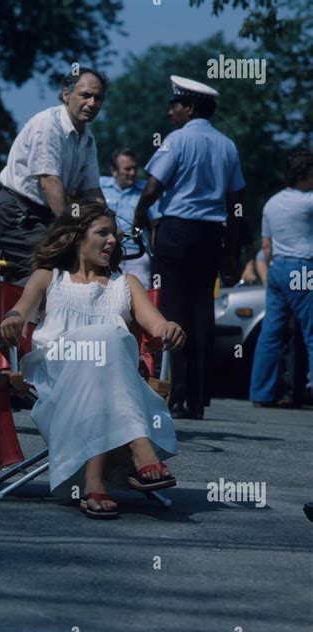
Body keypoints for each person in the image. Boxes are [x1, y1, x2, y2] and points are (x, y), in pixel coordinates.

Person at [0, 203, 186, 520]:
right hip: (58, 376)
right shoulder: (49, 278)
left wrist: (170, 327)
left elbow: (158, 325)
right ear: (76, 238)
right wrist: (14, 318)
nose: (113, 240)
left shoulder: (126, 285)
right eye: (103, 233)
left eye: (115, 234)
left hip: (113, 381)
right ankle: (139, 445)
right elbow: (21, 309)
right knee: (103, 338)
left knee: (106, 343)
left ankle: (93, 481)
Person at [0, 68, 108, 333]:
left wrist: (110, 227)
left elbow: (92, 191)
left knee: (62, 271)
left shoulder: (87, 139)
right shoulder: (48, 124)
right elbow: (49, 182)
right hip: (16, 212)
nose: (91, 103)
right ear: (66, 94)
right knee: (56, 270)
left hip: (42, 215)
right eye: (85, 95)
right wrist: (72, 229)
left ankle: (14, 350)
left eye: (98, 98)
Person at [134, 75, 245, 419]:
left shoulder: (177, 141)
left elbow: (153, 187)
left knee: (170, 313)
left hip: (176, 231)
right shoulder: (227, 145)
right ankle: (197, 399)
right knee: (202, 316)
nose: (171, 114)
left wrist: (140, 215)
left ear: (190, 107)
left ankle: (175, 394)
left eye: (175, 106)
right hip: (211, 235)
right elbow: (236, 203)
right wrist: (231, 252)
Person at [249, 151, 313, 408]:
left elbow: (266, 247)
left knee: (271, 333)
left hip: (277, 270)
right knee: (311, 333)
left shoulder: (271, 203)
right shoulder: (308, 202)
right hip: (303, 269)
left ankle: (261, 393)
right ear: (306, 174)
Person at [100, 148, 160, 289]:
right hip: (104, 251)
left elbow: (155, 225)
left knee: (142, 296)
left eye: (134, 168)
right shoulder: (99, 186)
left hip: (135, 254)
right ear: (114, 171)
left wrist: (156, 257)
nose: (132, 173)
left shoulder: (146, 191)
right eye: (127, 169)